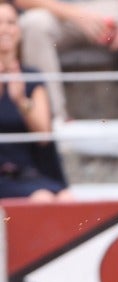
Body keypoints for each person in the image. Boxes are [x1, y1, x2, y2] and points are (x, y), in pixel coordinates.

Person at [15, 0, 118, 124]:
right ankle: (54, 118)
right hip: (59, 13)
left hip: (113, 9)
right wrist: (76, 15)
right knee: (33, 23)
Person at [0, 0, 69, 199]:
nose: (5, 29)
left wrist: (21, 100)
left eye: (11, 23)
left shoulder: (31, 76)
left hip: (29, 174)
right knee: (42, 198)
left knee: (66, 199)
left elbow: (44, 136)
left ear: (19, 31)